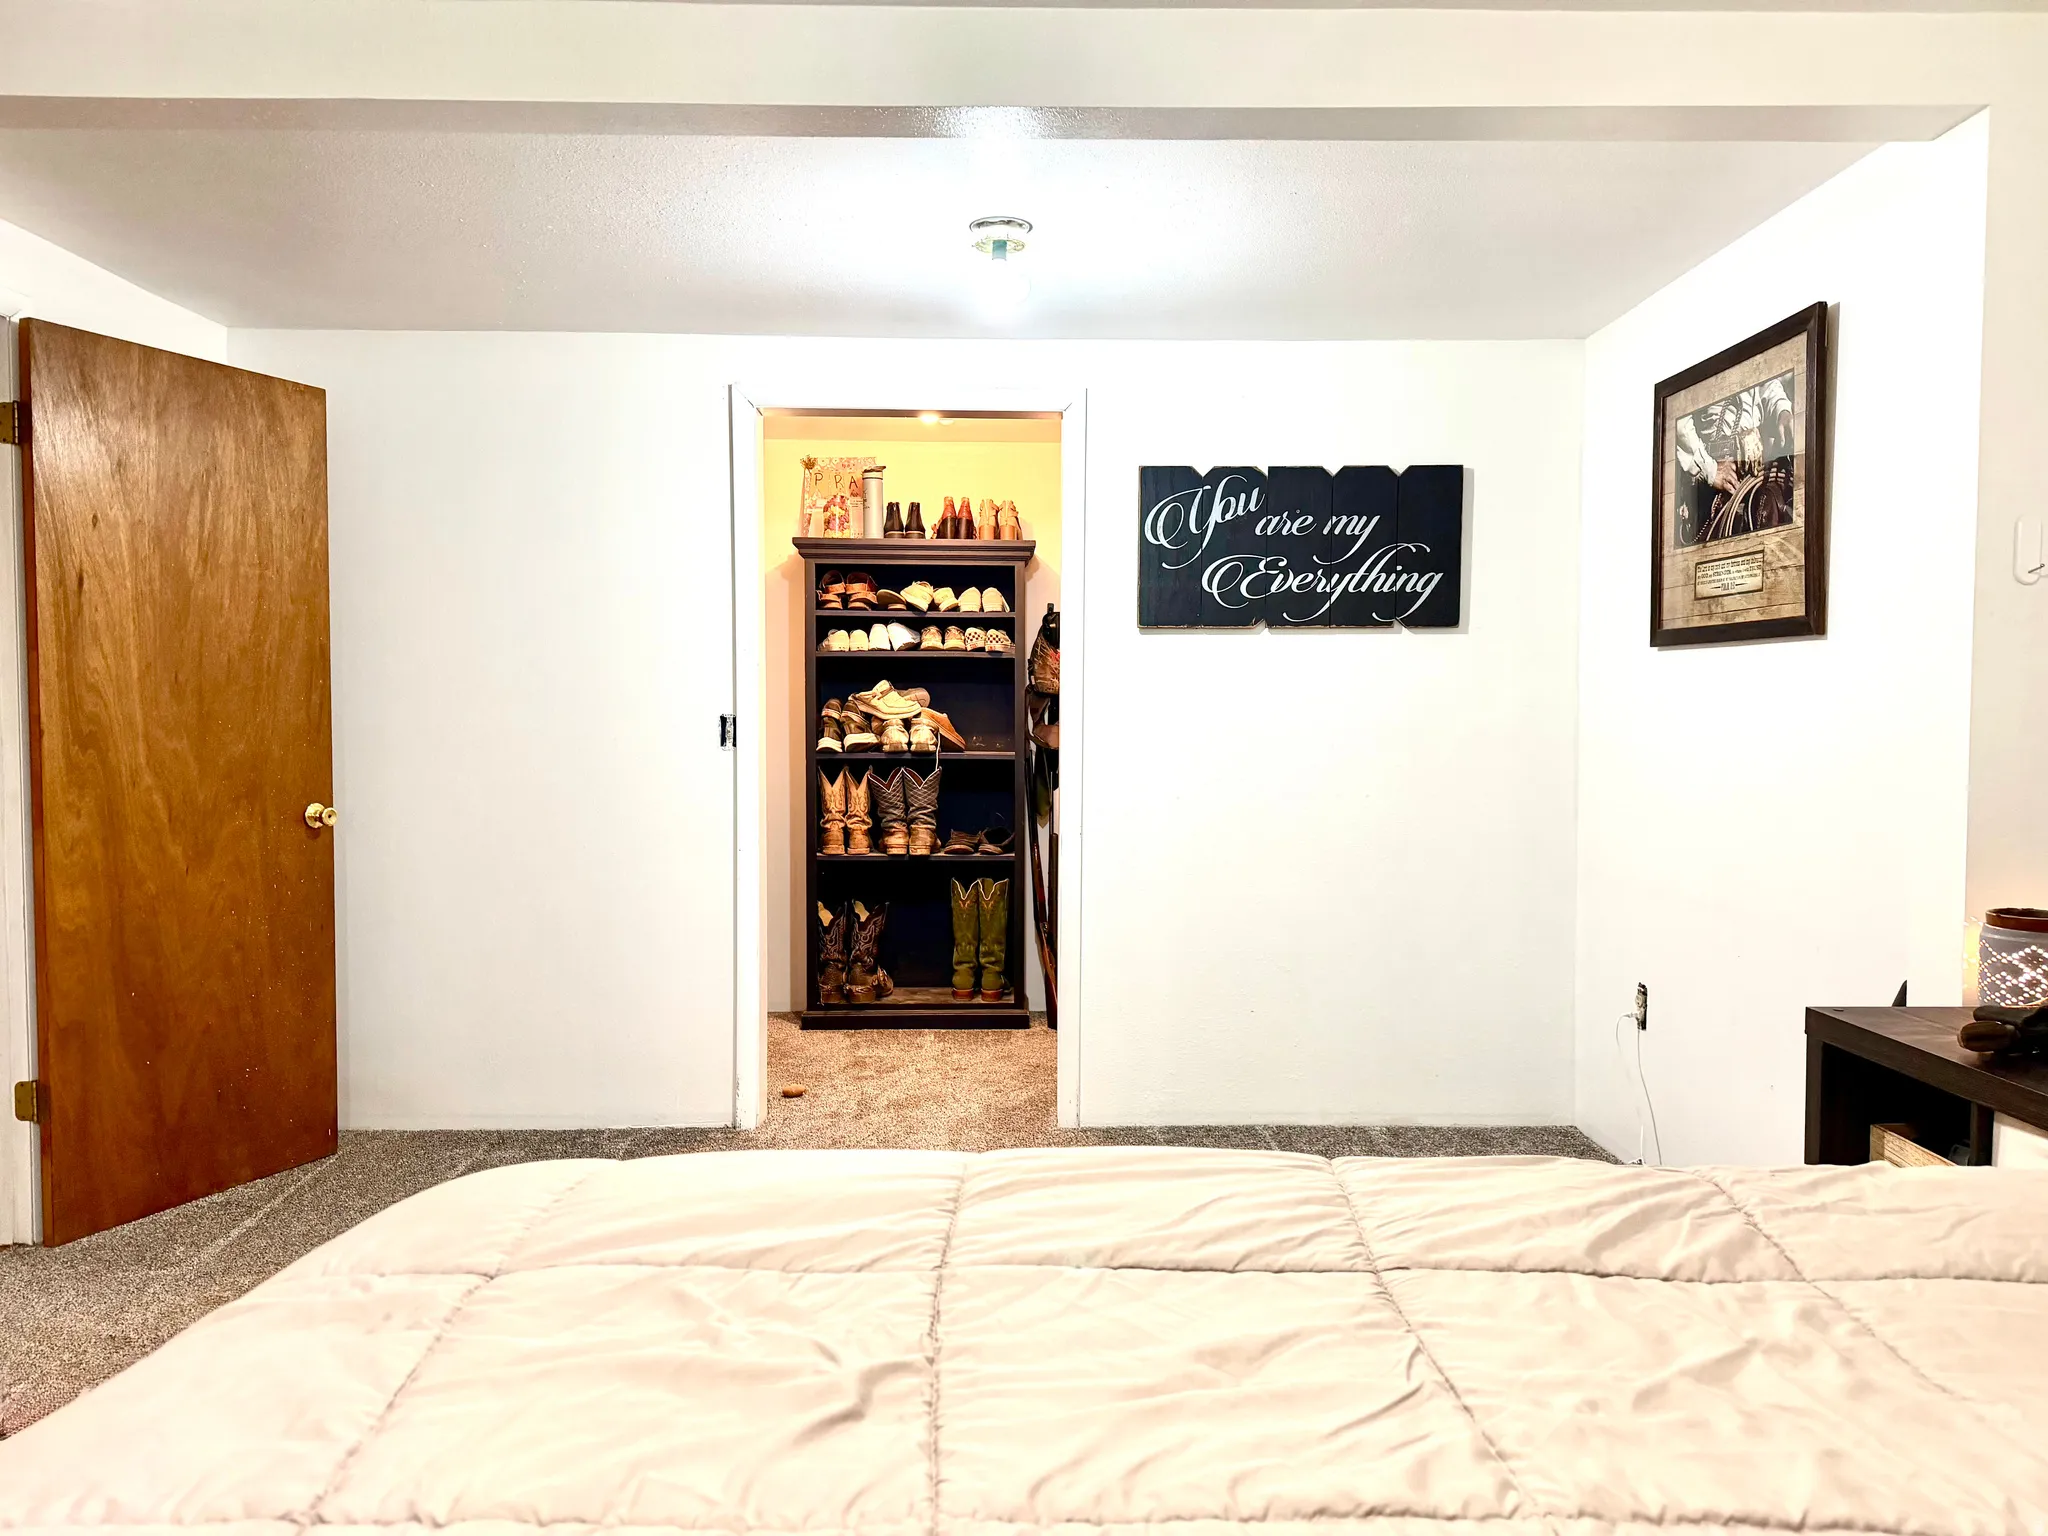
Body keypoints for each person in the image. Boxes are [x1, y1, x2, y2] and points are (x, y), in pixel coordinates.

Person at [1674, 371, 1796, 545]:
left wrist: (1781, 409)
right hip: (1714, 477)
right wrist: (1709, 468)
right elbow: (1679, 417)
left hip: (1752, 468)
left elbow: (1767, 382)